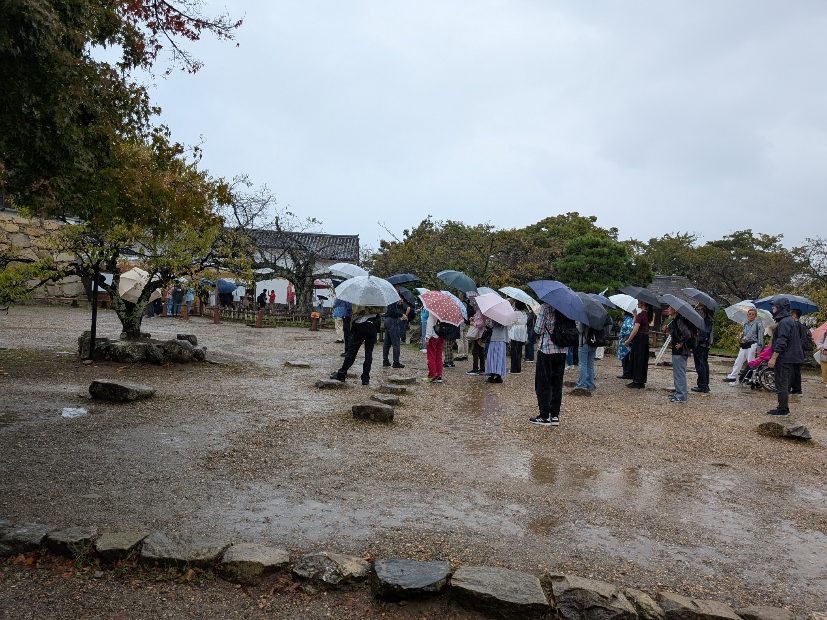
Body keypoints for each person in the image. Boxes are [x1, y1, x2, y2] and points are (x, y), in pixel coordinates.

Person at [530, 302, 567, 427]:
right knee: (557, 383)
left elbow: (538, 329)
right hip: (562, 350)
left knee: (543, 383)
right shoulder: (566, 308)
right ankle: (555, 416)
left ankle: (544, 415)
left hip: (546, 350)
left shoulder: (545, 307)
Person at [767, 297, 804, 416]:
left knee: (781, 383)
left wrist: (773, 357)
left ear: (780, 308)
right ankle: (783, 407)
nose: (772, 309)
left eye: (774, 307)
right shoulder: (790, 321)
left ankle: (783, 409)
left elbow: (782, 341)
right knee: (784, 383)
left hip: (784, 357)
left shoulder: (784, 322)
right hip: (792, 357)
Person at [330, 306, 382, 386]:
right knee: (368, 353)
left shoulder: (360, 299)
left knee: (352, 351)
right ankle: (365, 378)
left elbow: (355, 311)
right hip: (373, 325)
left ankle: (341, 374)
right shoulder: (377, 301)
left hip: (361, 324)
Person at [724, 308, 763, 382]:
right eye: (749, 314)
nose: (751, 315)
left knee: (751, 361)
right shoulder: (745, 323)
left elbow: (760, 337)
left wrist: (759, 349)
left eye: (753, 314)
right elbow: (744, 334)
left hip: (752, 344)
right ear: (747, 315)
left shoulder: (758, 324)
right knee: (738, 360)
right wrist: (741, 336)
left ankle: (750, 378)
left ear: (755, 316)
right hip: (744, 344)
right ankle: (732, 376)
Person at [666, 306, 695, 403]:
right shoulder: (675, 321)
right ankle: (678, 392)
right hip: (676, 350)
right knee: (677, 373)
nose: (668, 309)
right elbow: (676, 333)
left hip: (681, 351)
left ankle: (681, 395)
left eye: (670, 308)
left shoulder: (680, 320)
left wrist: (681, 343)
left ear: (675, 310)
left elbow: (687, 334)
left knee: (679, 373)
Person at [624, 301, 652, 389]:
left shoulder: (641, 315)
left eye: (639, 302)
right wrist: (635, 316)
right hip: (645, 339)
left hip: (639, 339)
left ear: (643, 303)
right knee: (643, 360)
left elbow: (635, 329)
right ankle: (641, 381)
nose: (637, 304)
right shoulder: (647, 315)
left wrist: (628, 340)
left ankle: (636, 381)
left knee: (637, 359)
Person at [789, 309, 814, 395]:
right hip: (798, 351)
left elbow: (801, 339)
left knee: (793, 370)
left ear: (794, 315)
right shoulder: (801, 325)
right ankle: (796, 388)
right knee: (795, 370)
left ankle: (796, 388)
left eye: (791, 314)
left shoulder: (797, 325)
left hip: (795, 351)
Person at [382, 294, 409, 369]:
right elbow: (392, 312)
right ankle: (396, 362)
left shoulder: (389, 299)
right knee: (396, 343)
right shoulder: (393, 300)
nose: (402, 301)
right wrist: (402, 314)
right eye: (401, 299)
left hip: (387, 320)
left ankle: (385, 361)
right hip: (392, 321)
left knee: (387, 343)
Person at [691, 303, 713, 393]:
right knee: (704, 363)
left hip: (700, 342)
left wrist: (695, 308)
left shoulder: (701, 313)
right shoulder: (709, 315)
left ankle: (702, 385)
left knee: (700, 365)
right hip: (706, 343)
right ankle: (705, 384)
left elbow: (696, 323)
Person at [571, 321, 596, 395]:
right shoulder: (598, 318)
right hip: (594, 343)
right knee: (590, 365)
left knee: (583, 364)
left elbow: (581, 330)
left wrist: (577, 325)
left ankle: (582, 384)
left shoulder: (585, 317)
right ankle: (590, 384)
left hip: (584, 342)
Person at [466, 298, 487, 375]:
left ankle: (475, 369)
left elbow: (482, 323)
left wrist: (473, 323)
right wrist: (473, 318)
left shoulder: (481, 310)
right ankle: (482, 368)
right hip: (479, 334)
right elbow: (479, 319)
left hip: (478, 334)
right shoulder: (480, 310)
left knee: (475, 351)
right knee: (480, 352)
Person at [423, 310, 444, 383]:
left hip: (432, 336)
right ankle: (439, 375)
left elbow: (430, 324)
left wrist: (427, 337)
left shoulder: (433, 311)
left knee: (431, 356)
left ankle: (432, 375)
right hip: (441, 335)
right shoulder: (444, 310)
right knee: (439, 356)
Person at [485, 319, 508, 383]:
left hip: (495, 338)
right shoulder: (506, 317)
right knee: (500, 358)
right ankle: (499, 376)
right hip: (502, 339)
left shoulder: (495, 317)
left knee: (492, 357)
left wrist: (488, 323)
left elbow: (491, 325)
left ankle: (492, 376)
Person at [509, 301, 528, 374]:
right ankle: (518, 369)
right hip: (522, 333)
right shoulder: (524, 314)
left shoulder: (515, 313)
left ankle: (513, 369)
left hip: (515, 333)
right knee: (519, 351)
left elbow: (510, 323)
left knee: (514, 351)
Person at [616, 309, 635, 379]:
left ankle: (626, 373)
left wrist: (625, 340)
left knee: (625, 358)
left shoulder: (628, 320)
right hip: (625, 342)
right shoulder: (629, 320)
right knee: (626, 358)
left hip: (625, 343)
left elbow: (628, 331)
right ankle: (626, 373)